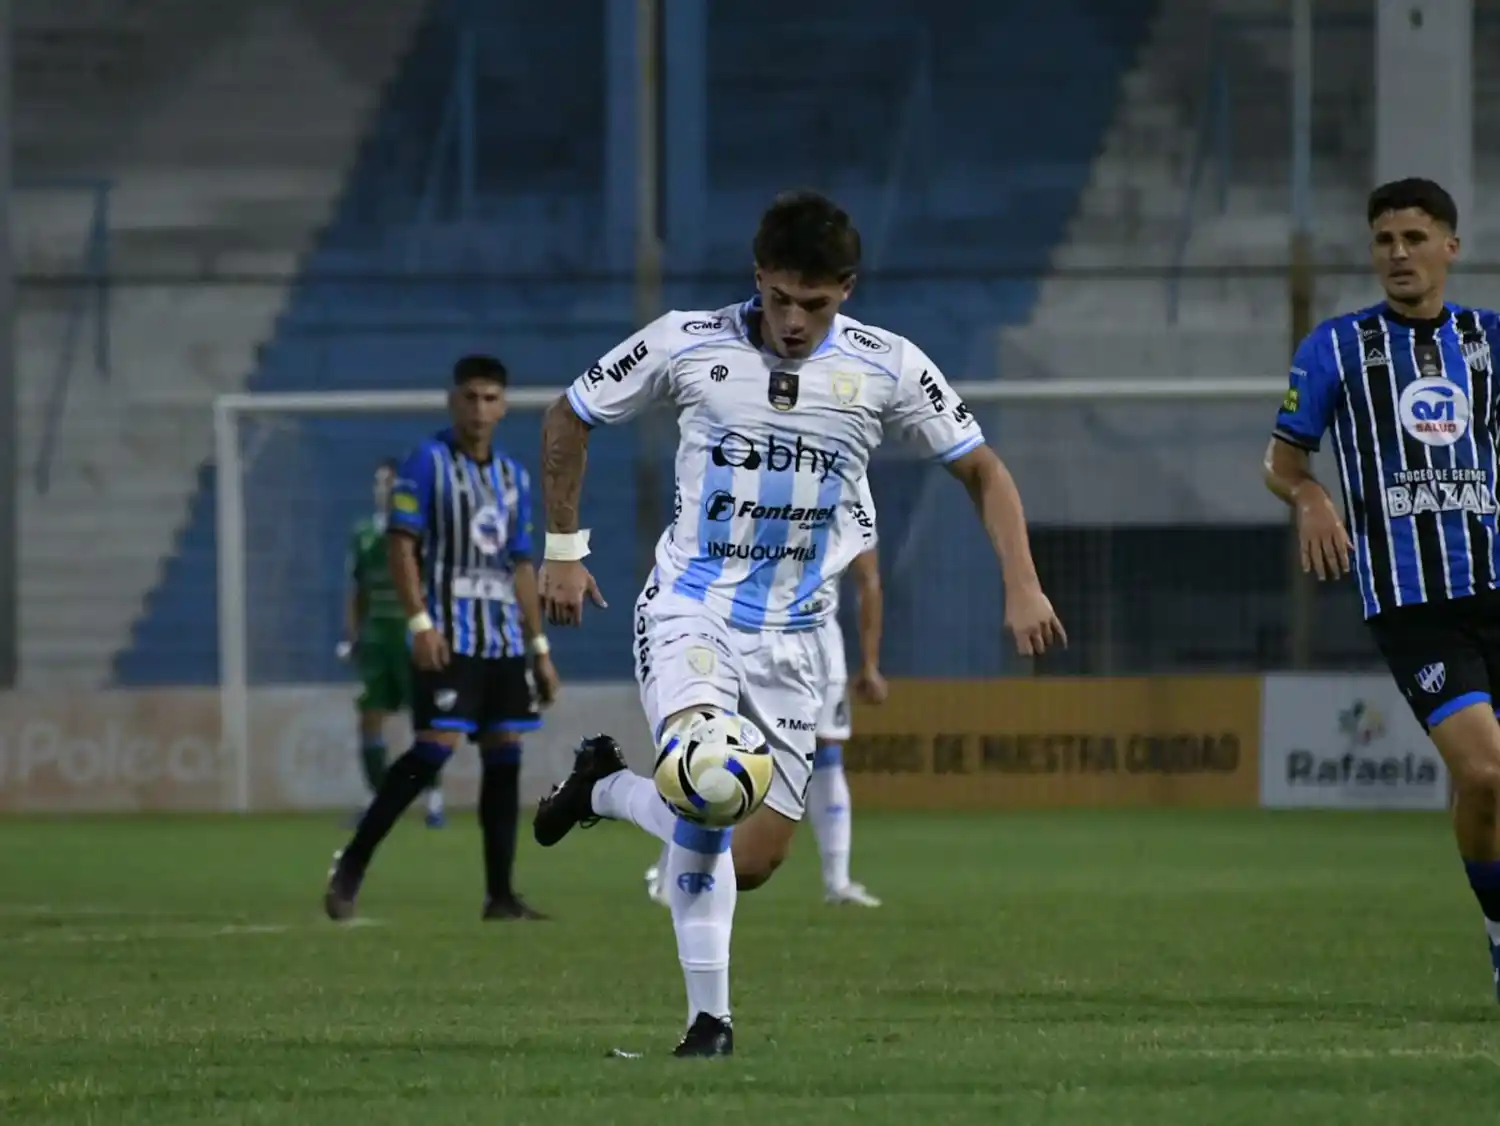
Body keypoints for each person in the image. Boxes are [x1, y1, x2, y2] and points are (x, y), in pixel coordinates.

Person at [531, 190, 1066, 1055]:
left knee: (755, 859)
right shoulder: (685, 340)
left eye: (812, 304)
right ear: (758, 279)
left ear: (846, 290)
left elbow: (985, 471)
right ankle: (710, 1024)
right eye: (779, 298)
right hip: (690, 607)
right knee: (708, 791)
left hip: (796, 640)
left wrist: (1023, 585)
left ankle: (603, 788)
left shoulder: (887, 366)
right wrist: (563, 546)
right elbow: (570, 415)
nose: (792, 321)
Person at [1264, 177, 1500, 1001]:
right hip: (1413, 600)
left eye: (1413, 238)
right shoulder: (1334, 347)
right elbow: (1282, 459)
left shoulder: (1490, 342)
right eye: (1384, 241)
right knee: (1486, 776)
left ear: (1450, 247)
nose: (1397, 254)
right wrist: (1311, 496)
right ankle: (1499, 927)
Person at [324, 354, 561, 923]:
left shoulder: (513, 477)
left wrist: (540, 649)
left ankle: (500, 895)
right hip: (448, 636)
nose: (479, 409)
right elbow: (400, 545)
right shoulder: (427, 463)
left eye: (490, 398)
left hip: (502, 641)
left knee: (505, 754)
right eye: (470, 397)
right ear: (453, 401)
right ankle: (353, 862)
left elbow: (521, 566)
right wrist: (421, 623)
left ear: (503, 406)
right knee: (434, 748)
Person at [643, 482, 886, 908]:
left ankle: (838, 881)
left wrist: (869, 663)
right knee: (710, 752)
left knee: (827, 752)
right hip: (745, 629)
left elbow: (868, 580)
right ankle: (669, 863)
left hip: (817, 641)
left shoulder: (850, 481)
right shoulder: (760, 473)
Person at [338, 458, 446, 829]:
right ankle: (376, 798)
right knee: (370, 717)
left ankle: (433, 801)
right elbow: (358, 591)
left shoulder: (420, 533)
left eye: (391, 482)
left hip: (412, 633)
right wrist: (352, 636)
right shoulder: (364, 533)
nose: (384, 489)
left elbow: (434, 586)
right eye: (379, 482)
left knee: (426, 720)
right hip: (377, 638)